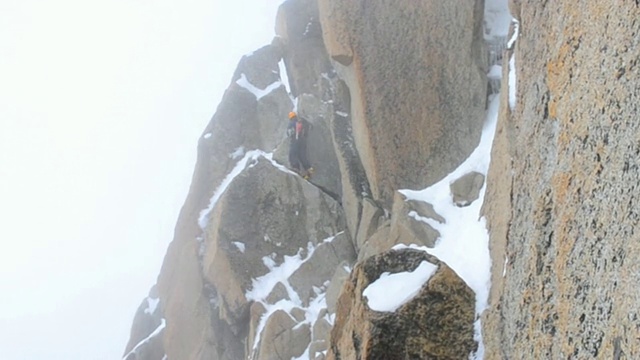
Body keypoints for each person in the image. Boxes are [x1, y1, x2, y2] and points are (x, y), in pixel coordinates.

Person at [287, 111, 313, 179]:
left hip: (296, 141)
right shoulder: (301, 122)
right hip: (303, 141)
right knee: (302, 156)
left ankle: (296, 168)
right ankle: (308, 169)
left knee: (292, 154)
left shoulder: (292, 123)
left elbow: (290, 133)